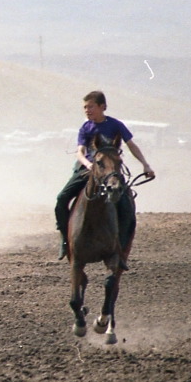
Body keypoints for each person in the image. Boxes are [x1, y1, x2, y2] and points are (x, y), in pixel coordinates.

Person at [54, 91, 155, 262]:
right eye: (85, 107)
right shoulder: (86, 127)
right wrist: (88, 165)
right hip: (88, 171)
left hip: (110, 173)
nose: (87, 110)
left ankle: (121, 249)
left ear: (102, 107)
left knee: (127, 208)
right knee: (62, 198)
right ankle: (65, 239)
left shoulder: (116, 125)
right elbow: (80, 152)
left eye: (90, 106)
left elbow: (131, 145)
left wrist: (146, 165)